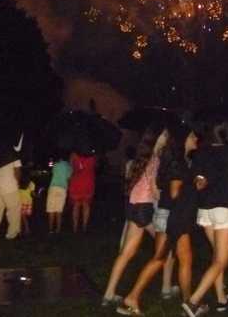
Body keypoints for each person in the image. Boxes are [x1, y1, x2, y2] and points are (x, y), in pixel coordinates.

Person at [116, 127, 199, 315]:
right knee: (183, 260)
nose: (196, 138)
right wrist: (195, 189)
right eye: (192, 135)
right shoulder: (178, 162)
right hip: (175, 217)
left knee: (160, 258)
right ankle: (189, 304)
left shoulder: (174, 160)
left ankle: (132, 298)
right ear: (183, 138)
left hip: (166, 214)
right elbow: (175, 192)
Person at [181, 119, 228, 317]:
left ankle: (221, 299)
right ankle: (193, 302)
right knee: (221, 260)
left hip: (205, 211)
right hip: (223, 210)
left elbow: (197, 181)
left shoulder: (201, 153)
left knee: (216, 258)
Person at [102, 126, 167, 306]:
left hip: (132, 207)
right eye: (164, 135)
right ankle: (167, 288)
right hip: (143, 209)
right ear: (157, 139)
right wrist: (168, 197)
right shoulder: (155, 160)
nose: (167, 138)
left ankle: (108, 294)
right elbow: (154, 191)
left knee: (126, 254)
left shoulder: (142, 158)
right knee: (166, 246)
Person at [0, 156, 22, 240]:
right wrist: (18, 183)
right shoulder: (12, 154)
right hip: (9, 185)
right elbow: (17, 170)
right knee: (13, 211)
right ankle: (12, 234)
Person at [69, 147, 97, 233]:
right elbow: (95, 167)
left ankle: (75, 227)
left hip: (76, 182)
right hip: (88, 183)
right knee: (86, 206)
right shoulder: (93, 157)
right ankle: (84, 226)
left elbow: (71, 167)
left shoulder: (73, 155)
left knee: (76, 206)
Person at [46, 153, 73, 234]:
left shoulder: (56, 165)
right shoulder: (69, 167)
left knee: (51, 210)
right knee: (59, 210)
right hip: (62, 188)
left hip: (53, 187)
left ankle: (50, 229)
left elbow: (53, 173)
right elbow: (69, 178)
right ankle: (58, 229)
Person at [18, 170, 35, 236]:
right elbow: (32, 194)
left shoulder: (19, 183)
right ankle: (27, 230)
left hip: (21, 202)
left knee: (21, 217)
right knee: (26, 217)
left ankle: (21, 231)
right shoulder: (31, 183)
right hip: (29, 202)